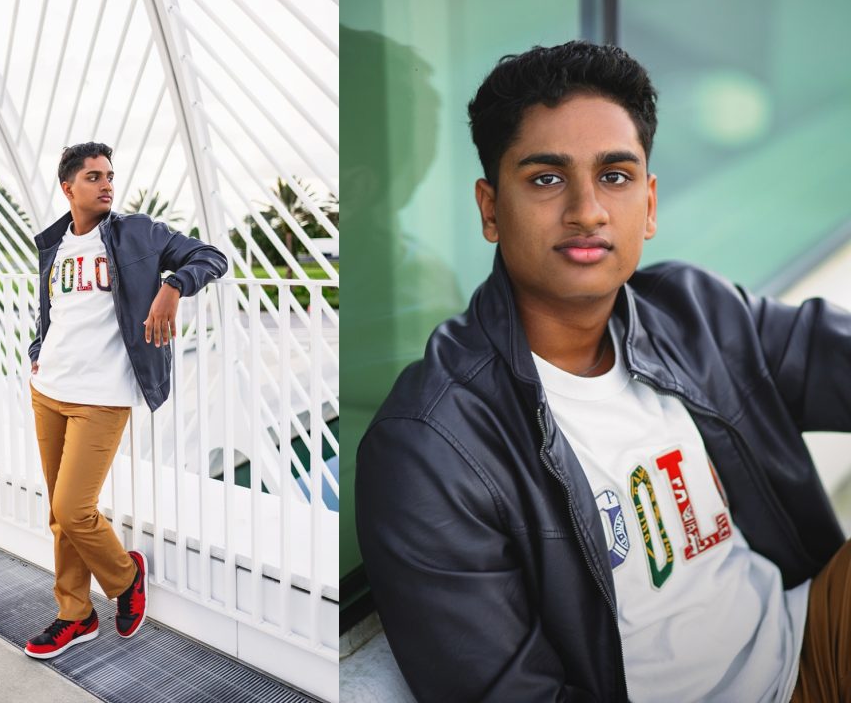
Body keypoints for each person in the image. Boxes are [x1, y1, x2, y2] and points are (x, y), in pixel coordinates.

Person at [355, 41, 851, 702]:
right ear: (490, 209)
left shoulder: (695, 313)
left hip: (812, 633)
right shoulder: (429, 446)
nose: (587, 210)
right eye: (546, 178)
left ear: (647, 204)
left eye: (614, 176)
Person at [22, 142, 227, 659]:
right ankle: (75, 614)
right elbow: (52, 312)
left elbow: (212, 257)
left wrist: (173, 286)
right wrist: (37, 352)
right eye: (93, 177)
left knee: (74, 507)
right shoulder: (55, 245)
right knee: (59, 513)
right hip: (49, 389)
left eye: (110, 175)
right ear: (68, 188)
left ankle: (125, 577)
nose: (107, 184)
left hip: (102, 395)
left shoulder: (139, 232)